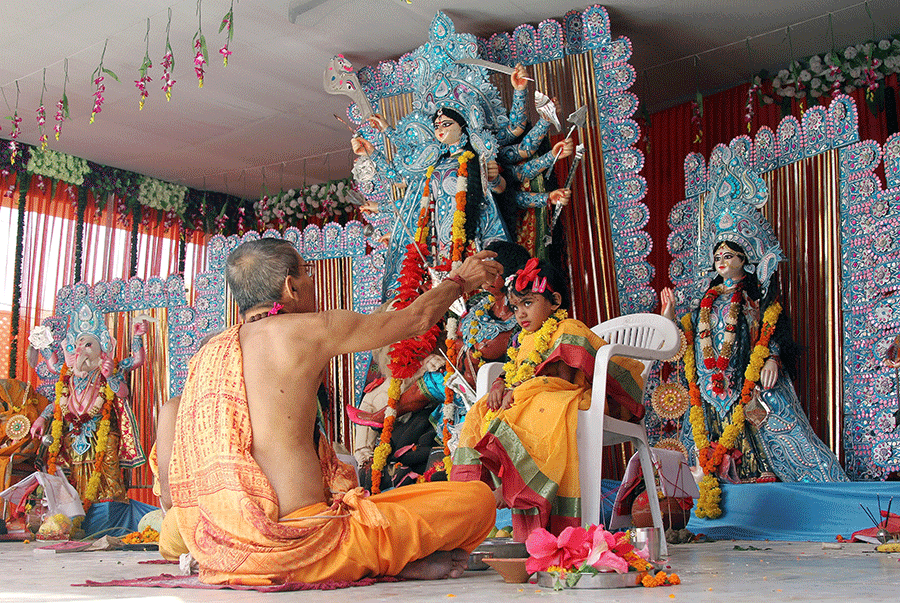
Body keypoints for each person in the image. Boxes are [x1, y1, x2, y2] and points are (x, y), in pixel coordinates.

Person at [167, 238, 502, 585]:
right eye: (307, 271)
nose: (312, 281)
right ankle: (373, 560)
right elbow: (416, 319)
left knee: (397, 508)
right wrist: (460, 279)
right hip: (308, 539)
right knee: (476, 500)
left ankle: (377, 560)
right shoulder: (309, 330)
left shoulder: (207, 356)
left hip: (230, 550)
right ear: (290, 285)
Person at [450, 258, 645, 542]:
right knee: (481, 409)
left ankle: (516, 488)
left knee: (537, 404)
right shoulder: (521, 340)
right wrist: (498, 386)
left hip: (569, 397)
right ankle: (469, 496)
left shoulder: (568, 328)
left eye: (528, 303)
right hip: (533, 398)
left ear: (554, 301)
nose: (520, 314)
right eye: (515, 307)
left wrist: (517, 391)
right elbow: (512, 372)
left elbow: (563, 381)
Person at [660, 240, 848, 485]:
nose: (722, 262)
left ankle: (760, 476)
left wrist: (771, 359)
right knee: (703, 441)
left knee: (764, 422)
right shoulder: (706, 302)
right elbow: (683, 340)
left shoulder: (754, 298)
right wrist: (669, 314)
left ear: (743, 260)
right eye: (718, 258)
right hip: (708, 387)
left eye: (728, 256)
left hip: (744, 381)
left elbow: (769, 330)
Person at [27, 304, 148, 505]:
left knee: (107, 468)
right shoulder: (68, 375)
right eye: (77, 346)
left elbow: (126, 385)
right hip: (73, 432)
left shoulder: (108, 369)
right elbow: (58, 402)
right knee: (72, 472)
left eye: (88, 345)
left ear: (102, 351)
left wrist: (136, 338)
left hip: (103, 430)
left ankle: (110, 506)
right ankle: (76, 508)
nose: (81, 351)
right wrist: (41, 418)